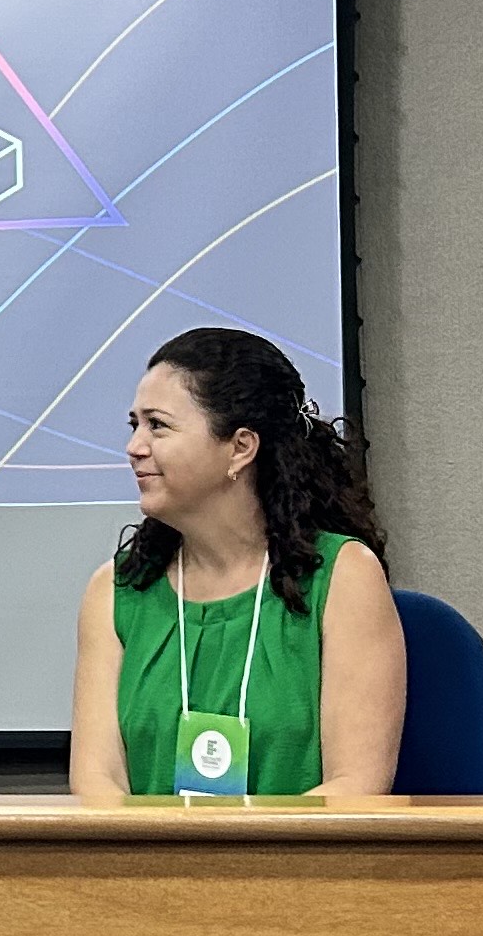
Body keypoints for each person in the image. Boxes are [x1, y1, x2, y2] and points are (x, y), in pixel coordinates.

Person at [70, 327, 404, 801]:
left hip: (302, 852)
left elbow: (356, 785)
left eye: (157, 426)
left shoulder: (345, 575)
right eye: (134, 425)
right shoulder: (115, 590)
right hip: (149, 852)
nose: (135, 447)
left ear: (241, 447)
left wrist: (236, 848)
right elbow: (95, 784)